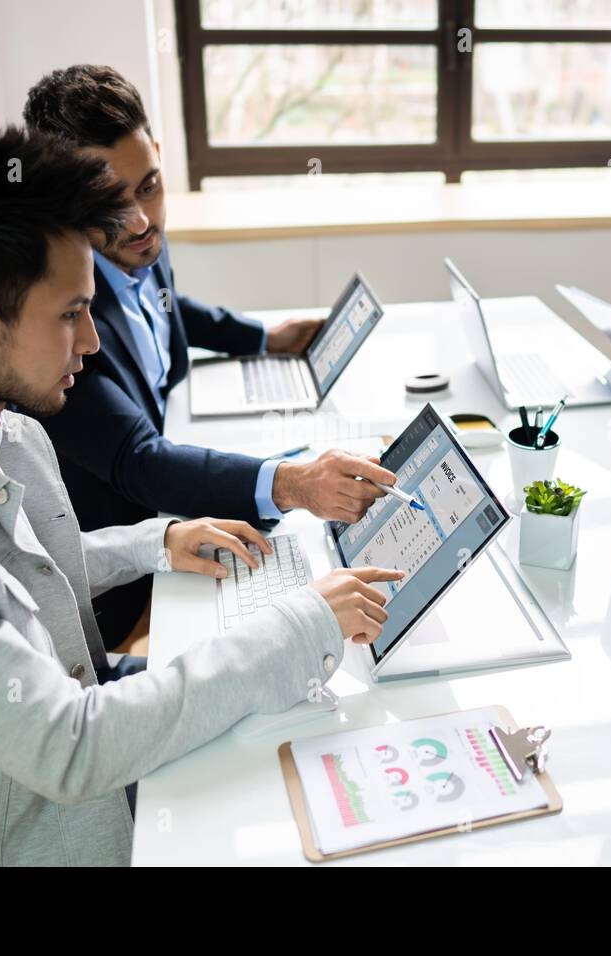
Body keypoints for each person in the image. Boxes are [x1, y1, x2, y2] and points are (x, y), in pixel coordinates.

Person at [0, 125, 404, 865]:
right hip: (30, 831)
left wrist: (154, 542)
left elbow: (8, 576)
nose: (92, 342)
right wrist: (299, 625)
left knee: (338, 721)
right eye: (69, 314)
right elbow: (71, 750)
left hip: (56, 753)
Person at [23, 64, 398, 649]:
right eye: (109, 203)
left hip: (175, 519)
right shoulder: (56, 318)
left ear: (158, 158)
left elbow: (163, 305)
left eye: (149, 186)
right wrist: (296, 484)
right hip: (125, 588)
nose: (141, 221)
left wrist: (262, 337)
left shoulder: (135, 242)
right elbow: (139, 461)